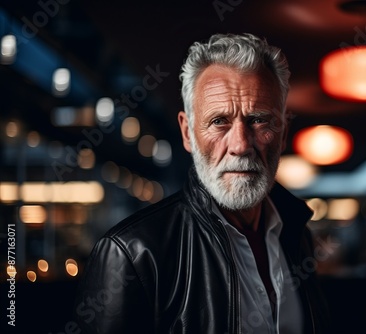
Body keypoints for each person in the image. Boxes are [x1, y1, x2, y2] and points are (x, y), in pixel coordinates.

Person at [74, 33, 330, 333]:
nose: (240, 145)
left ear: (283, 132)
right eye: (219, 121)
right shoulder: (132, 253)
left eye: (258, 119)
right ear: (187, 133)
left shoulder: (298, 234)